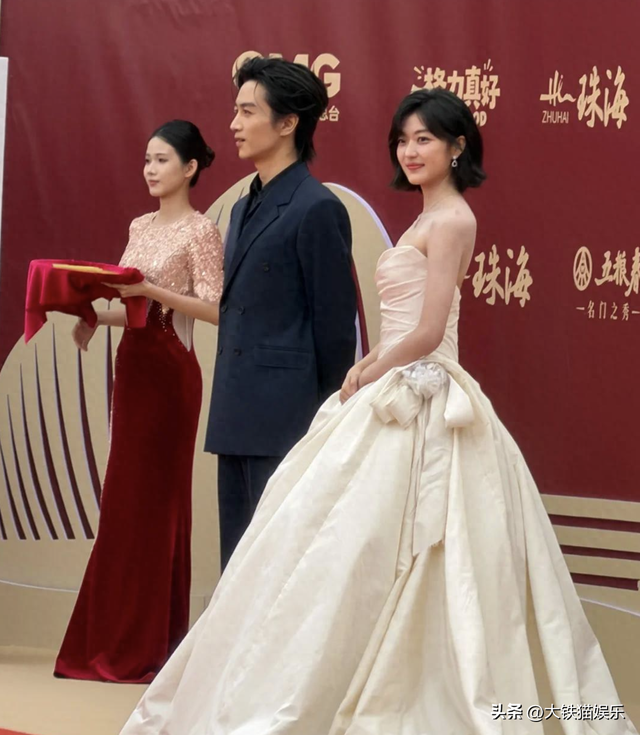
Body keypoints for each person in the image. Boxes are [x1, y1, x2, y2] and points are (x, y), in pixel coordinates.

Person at [120, 93, 637, 733]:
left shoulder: (453, 219)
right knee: (343, 546)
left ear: (458, 148)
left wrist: (369, 368)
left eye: (425, 139)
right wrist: (373, 368)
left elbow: (430, 329)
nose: (410, 151)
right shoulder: (427, 217)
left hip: (425, 392)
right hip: (393, 382)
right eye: (402, 140)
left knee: (430, 552)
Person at [54, 120, 224, 684]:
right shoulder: (139, 225)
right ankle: (110, 641)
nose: (150, 169)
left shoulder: (201, 231)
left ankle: (148, 646)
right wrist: (91, 316)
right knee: (124, 502)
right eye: (147, 159)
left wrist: (149, 290)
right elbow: (131, 309)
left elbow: (215, 309)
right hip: (132, 367)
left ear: (190, 168)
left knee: (158, 505)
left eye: (162, 159)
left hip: (171, 372)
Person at [204, 56, 357, 570]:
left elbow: (335, 329)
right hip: (235, 411)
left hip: (289, 421)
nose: (235, 123)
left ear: (288, 122)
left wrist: (328, 421)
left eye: (248, 112)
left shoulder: (317, 207)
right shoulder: (243, 205)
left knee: (278, 568)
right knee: (237, 564)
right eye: (236, 110)